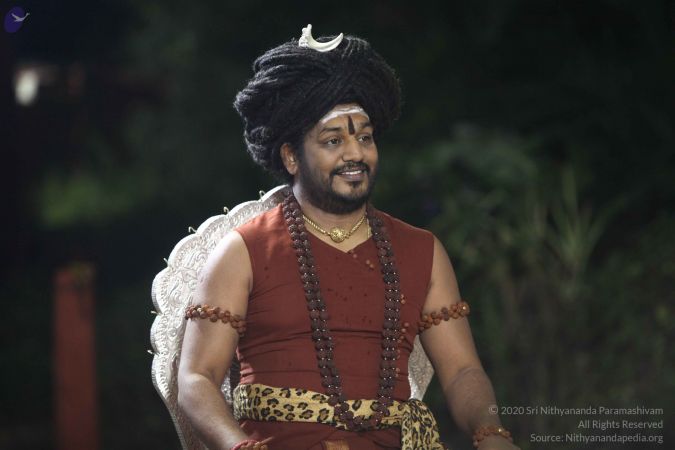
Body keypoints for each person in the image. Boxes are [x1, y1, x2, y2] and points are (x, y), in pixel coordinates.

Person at [177, 24, 520, 450]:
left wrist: (490, 434)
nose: (355, 153)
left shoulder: (422, 251)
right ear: (291, 157)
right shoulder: (243, 251)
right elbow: (196, 378)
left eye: (365, 137)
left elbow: (463, 371)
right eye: (333, 140)